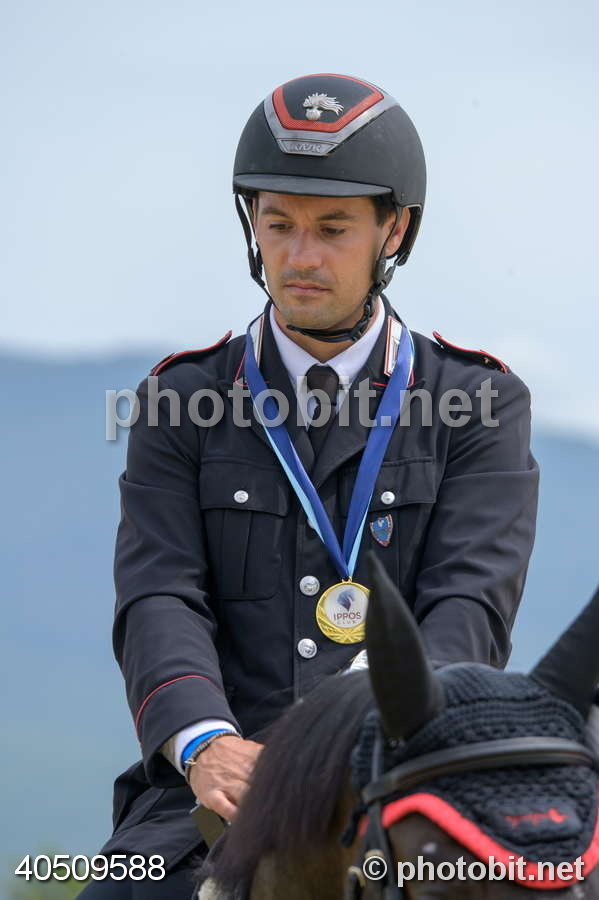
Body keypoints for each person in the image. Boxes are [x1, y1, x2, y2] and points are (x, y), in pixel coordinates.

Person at [79, 73, 539, 898]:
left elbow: (468, 608)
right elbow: (158, 593)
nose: (299, 257)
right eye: (278, 224)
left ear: (393, 229)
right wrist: (204, 744)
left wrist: (349, 741)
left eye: (332, 229)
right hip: (211, 794)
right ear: (250, 224)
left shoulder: (480, 403)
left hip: (402, 776)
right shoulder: (178, 400)